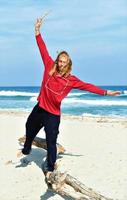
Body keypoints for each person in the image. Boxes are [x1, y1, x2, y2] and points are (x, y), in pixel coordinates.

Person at [17, 18, 121, 180]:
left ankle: (50, 167)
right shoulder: (49, 67)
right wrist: (37, 32)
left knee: (52, 142)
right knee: (29, 128)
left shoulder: (71, 80)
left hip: (52, 115)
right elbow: (42, 49)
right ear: (57, 61)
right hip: (40, 108)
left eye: (64, 62)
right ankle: (27, 148)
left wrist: (106, 92)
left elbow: (88, 86)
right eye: (60, 61)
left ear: (68, 63)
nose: (61, 64)